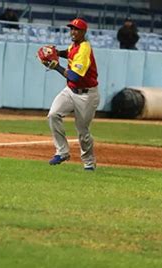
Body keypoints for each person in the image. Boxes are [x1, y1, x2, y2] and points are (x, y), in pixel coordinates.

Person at [40, 18, 100, 171]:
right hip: (70, 91)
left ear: (84, 32)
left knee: (82, 131)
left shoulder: (84, 49)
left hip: (87, 95)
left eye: (77, 29)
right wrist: (57, 53)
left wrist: (56, 66)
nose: (73, 32)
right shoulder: (75, 45)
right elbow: (69, 53)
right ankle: (62, 152)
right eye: (72, 29)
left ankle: (89, 162)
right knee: (53, 114)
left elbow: (75, 76)